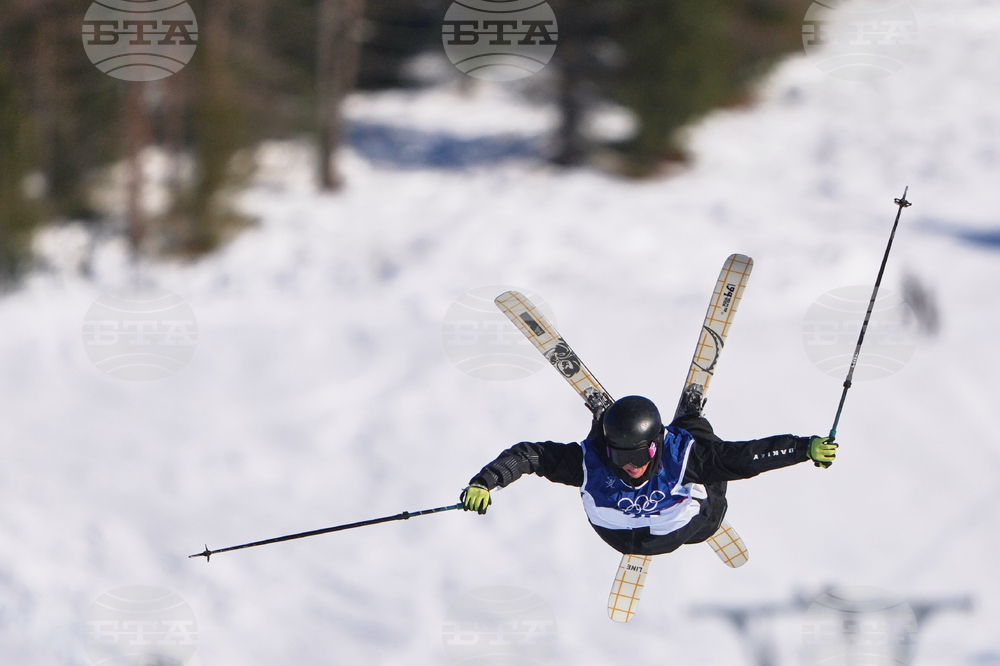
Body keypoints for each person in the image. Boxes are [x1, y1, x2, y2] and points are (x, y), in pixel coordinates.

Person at [460, 395, 837, 556]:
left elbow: (750, 456)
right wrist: (485, 481)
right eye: (621, 454)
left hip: (619, 534)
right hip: (675, 532)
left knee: (711, 460)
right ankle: (691, 418)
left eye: (641, 453)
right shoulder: (676, 454)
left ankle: (602, 421)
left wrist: (802, 447)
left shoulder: (591, 461)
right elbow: (745, 458)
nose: (631, 464)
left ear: (655, 443)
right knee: (710, 470)